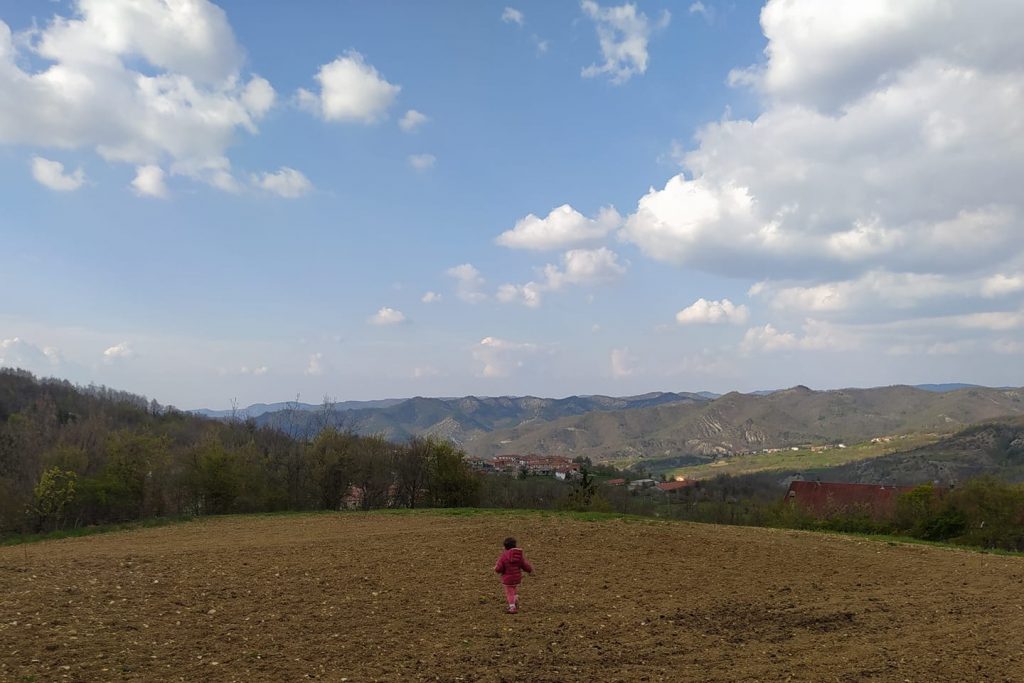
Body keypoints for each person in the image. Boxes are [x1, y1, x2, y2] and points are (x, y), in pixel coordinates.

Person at [494, 536, 533, 614]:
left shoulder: (504, 556)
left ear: (505, 547)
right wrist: (529, 570)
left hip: (508, 578)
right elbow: (524, 565)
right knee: (514, 589)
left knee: (509, 592)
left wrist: (496, 569)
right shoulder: (519, 556)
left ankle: (512, 607)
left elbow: (499, 568)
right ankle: (515, 600)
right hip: (517, 577)